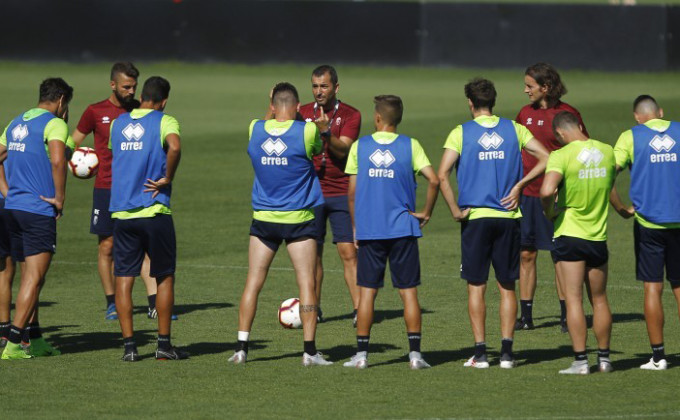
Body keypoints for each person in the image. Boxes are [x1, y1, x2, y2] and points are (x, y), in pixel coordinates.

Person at [438, 78, 549, 369]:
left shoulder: (461, 132)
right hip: (509, 218)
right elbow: (546, 157)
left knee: (477, 286)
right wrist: (520, 186)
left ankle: (481, 353)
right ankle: (508, 354)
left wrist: (455, 210)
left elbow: (442, 175)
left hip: (476, 218)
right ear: (493, 101)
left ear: (470, 102)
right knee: (507, 286)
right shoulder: (515, 129)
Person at [228, 82, 331, 367]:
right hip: (299, 220)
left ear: (272, 106)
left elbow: (263, 125)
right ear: (298, 108)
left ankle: (241, 349)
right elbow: (314, 147)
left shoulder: (255, 129)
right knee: (306, 283)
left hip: (263, 220)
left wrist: (270, 103)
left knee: (253, 282)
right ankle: (309, 352)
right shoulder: (307, 129)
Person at [342, 95, 439, 370]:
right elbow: (434, 179)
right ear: (398, 119)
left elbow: (351, 194)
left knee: (367, 294)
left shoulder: (360, 147)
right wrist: (426, 211)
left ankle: (361, 356)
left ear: (377, 118)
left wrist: (355, 227)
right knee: (408, 293)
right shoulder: (411, 145)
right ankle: (415, 356)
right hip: (403, 229)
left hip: (371, 230)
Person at [72, 62, 169, 321]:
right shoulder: (95, 111)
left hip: (135, 186)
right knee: (107, 247)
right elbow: (74, 142)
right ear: (113, 85)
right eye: (126, 86)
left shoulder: (141, 110)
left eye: (134, 86)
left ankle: (153, 303)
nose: (131, 91)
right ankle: (112, 302)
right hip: (105, 187)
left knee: (145, 246)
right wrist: (77, 162)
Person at [108, 76, 186, 361]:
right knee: (164, 277)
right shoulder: (164, 121)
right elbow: (175, 147)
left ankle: (129, 348)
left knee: (124, 279)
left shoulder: (118, 123)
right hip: (154, 211)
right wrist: (168, 177)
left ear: (141, 96)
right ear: (163, 101)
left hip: (122, 212)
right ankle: (163, 345)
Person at [0, 77, 72, 359]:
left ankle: (37, 339)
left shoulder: (17, 121)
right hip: (37, 210)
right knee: (34, 277)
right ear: (62, 101)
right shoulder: (55, 123)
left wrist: (7, 191)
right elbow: (57, 160)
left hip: (13, 209)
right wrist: (60, 197)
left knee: (31, 277)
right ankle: (15, 344)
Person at [540, 111, 615, 375]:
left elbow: (547, 190)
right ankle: (604, 359)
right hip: (598, 235)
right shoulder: (607, 151)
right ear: (580, 126)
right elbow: (610, 185)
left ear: (560, 134)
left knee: (573, 300)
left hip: (570, 234)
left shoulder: (561, 155)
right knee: (600, 299)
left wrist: (549, 211)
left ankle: (581, 361)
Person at [515, 63, 588, 332]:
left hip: (556, 197)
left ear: (545, 87)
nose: (525, 91)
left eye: (529, 86)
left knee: (559, 257)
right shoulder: (524, 114)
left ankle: (566, 315)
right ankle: (526, 316)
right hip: (528, 196)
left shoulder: (568, 114)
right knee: (526, 254)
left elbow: (582, 151)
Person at [610, 95, 680, 371]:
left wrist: (620, 208)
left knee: (653, 286)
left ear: (637, 117)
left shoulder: (630, 137)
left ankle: (659, 357)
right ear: (661, 113)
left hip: (649, 223)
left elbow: (608, 175)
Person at [300, 65, 362, 324]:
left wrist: (325, 133)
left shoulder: (350, 115)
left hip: (340, 192)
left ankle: (361, 309)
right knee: (313, 254)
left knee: (349, 252)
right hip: (311, 192)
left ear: (336, 87)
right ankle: (314, 309)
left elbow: (343, 152)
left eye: (324, 86)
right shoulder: (301, 112)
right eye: (315, 86)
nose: (318, 91)